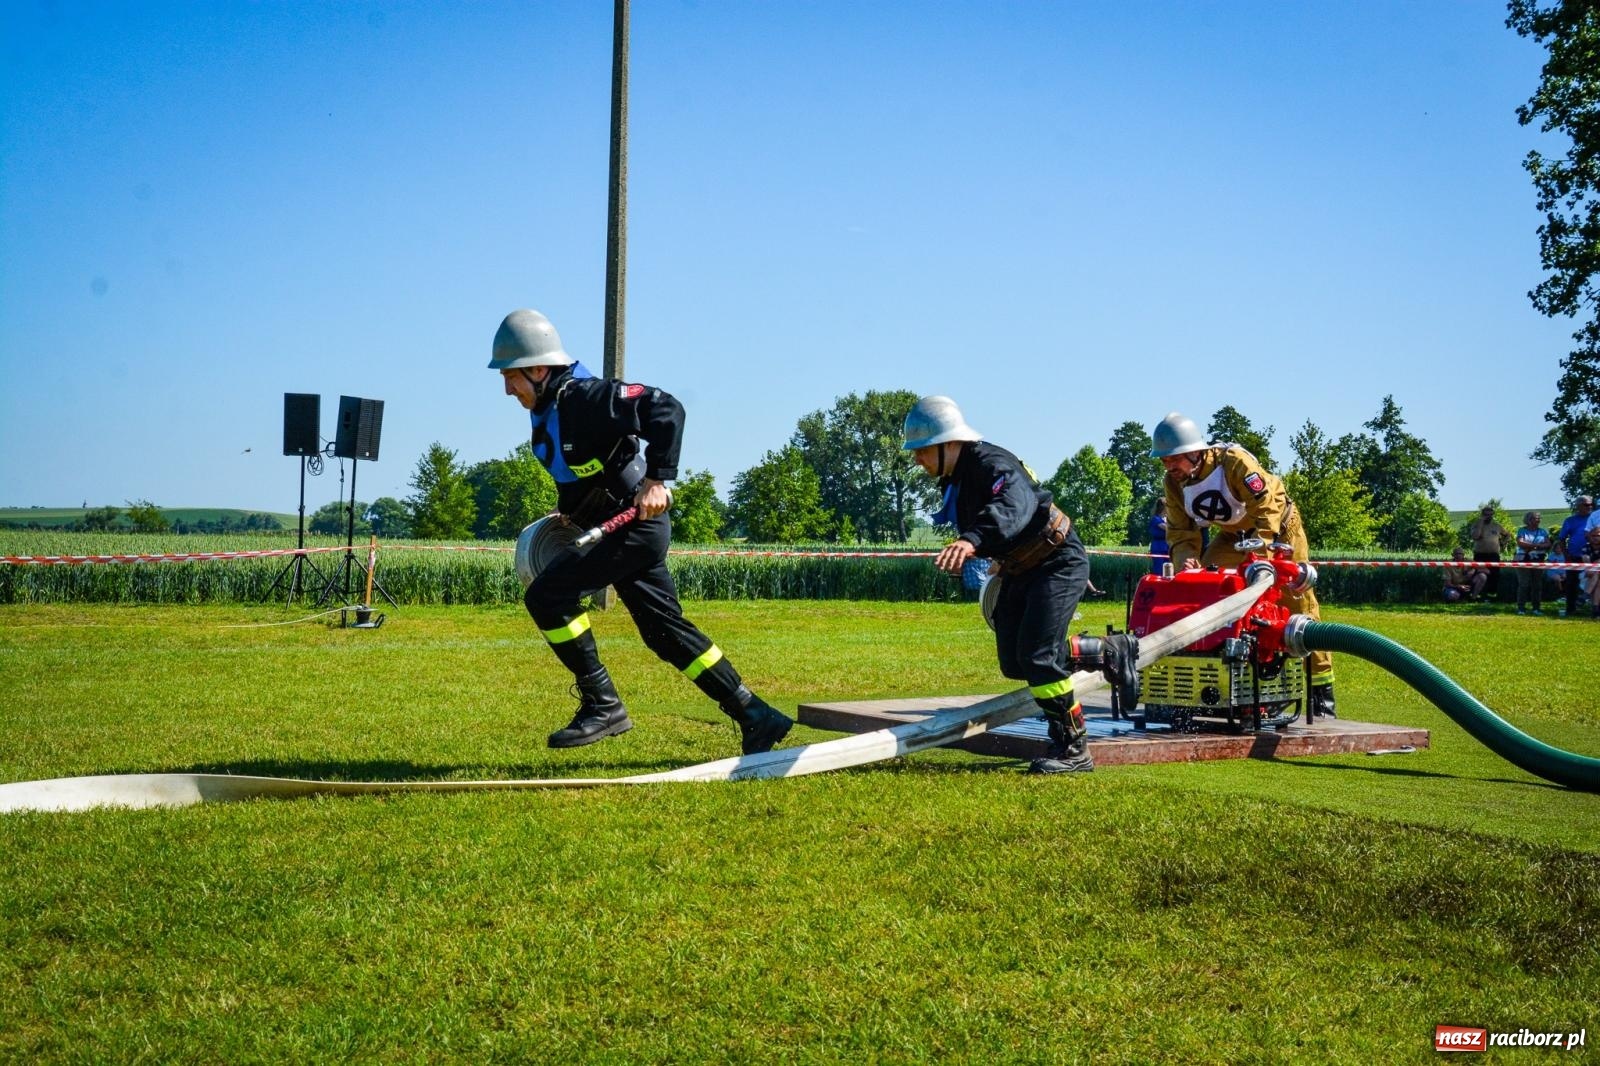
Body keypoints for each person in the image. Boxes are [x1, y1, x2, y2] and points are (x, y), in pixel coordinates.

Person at [489, 309, 792, 754]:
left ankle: (602, 704)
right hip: (621, 531)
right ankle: (756, 714)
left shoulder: (586, 397)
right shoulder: (553, 407)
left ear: (538, 369)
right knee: (663, 632)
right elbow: (584, 468)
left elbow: (667, 409)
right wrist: (569, 509)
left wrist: (657, 479)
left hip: (632, 528)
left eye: (511, 376)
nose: (506, 389)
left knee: (546, 596)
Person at [903, 395, 1098, 775]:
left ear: (949, 443)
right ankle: (1105, 652)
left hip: (1057, 562)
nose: (917, 459)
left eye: (923, 450)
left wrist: (972, 540)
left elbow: (1013, 506)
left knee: (1038, 658)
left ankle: (1073, 747)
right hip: (1021, 568)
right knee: (1014, 661)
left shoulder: (993, 464)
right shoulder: (958, 477)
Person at [1149, 412, 1336, 717]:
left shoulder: (1234, 462)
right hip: (1233, 535)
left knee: (1298, 603)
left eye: (1174, 459)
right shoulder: (1173, 483)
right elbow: (1181, 533)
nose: (1169, 467)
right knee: (1206, 589)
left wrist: (1261, 559)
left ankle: (1321, 696)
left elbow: (1267, 507)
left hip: (1279, 530)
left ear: (1195, 451)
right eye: (1165, 461)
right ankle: (1219, 680)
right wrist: (1186, 566)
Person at [1555, 496, 1593, 618]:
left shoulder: (1595, 519)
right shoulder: (1570, 521)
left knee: (1595, 581)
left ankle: (1595, 609)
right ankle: (1571, 609)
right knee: (1571, 583)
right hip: (1574, 557)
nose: (1590, 507)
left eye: (1591, 504)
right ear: (1578, 506)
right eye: (1586, 505)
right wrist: (1566, 554)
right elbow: (1561, 539)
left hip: (1593, 556)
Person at [1468, 505, 1511, 599]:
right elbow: (1475, 536)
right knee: (1480, 575)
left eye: (1490, 514)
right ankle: (1477, 595)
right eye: (1486, 514)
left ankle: (1492, 596)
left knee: (1494, 575)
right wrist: (1480, 523)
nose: (1488, 516)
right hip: (1480, 555)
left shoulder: (1497, 525)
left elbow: (1508, 535)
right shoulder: (1476, 524)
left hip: (1494, 555)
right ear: (1482, 514)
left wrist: (1503, 542)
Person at [1513, 511, 1550, 615]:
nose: (1538, 520)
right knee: (1524, 584)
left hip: (1538, 559)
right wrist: (1537, 546)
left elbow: (1548, 544)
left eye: (1539, 518)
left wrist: (1532, 546)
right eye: (1535, 518)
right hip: (1522, 559)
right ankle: (1521, 608)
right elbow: (1520, 543)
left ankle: (1536, 608)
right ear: (1529, 520)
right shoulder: (1522, 530)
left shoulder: (1543, 531)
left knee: (1537, 584)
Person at [1148, 498, 1170, 575]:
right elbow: (1167, 528)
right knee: (1159, 569)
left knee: (1169, 569)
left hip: (1167, 546)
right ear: (1164, 507)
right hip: (1158, 546)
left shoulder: (1167, 519)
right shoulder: (1156, 519)